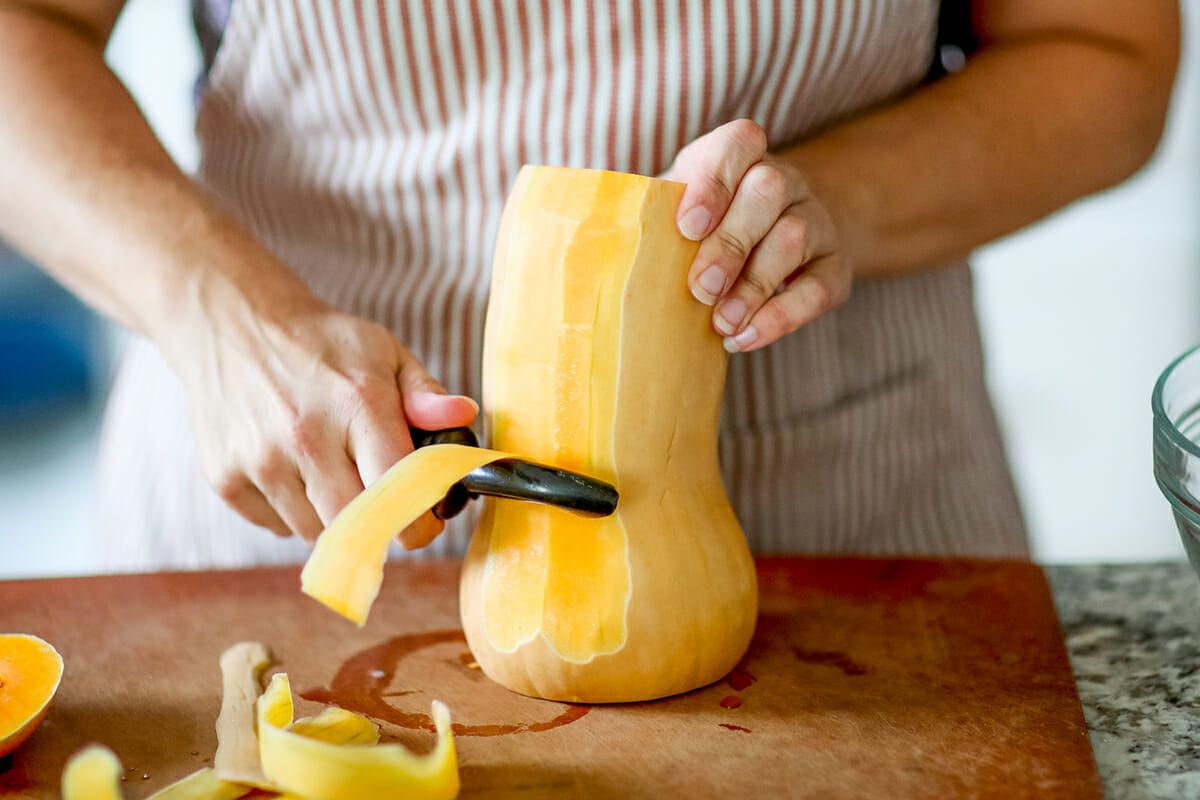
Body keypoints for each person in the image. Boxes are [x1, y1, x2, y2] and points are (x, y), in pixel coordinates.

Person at [0, 1, 1178, 570]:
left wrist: (838, 201)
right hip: (279, 534)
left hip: (849, 524)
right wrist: (221, 313)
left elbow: (1107, 54)